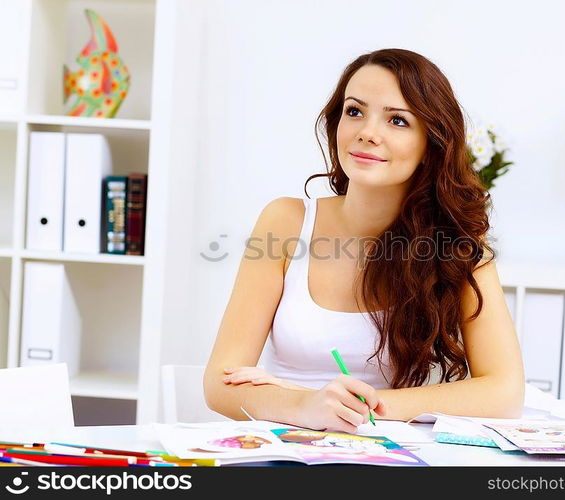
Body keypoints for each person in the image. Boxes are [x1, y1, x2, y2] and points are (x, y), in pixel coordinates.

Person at [204, 48, 524, 434]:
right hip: (291, 450)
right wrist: (306, 405)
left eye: (397, 120)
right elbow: (220, 385)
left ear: (431, 145)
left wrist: (359, 406)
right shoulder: (286, 222)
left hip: (403, 457)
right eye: (354, 111)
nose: (368, 133)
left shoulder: (458, 244)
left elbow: (505, 392)